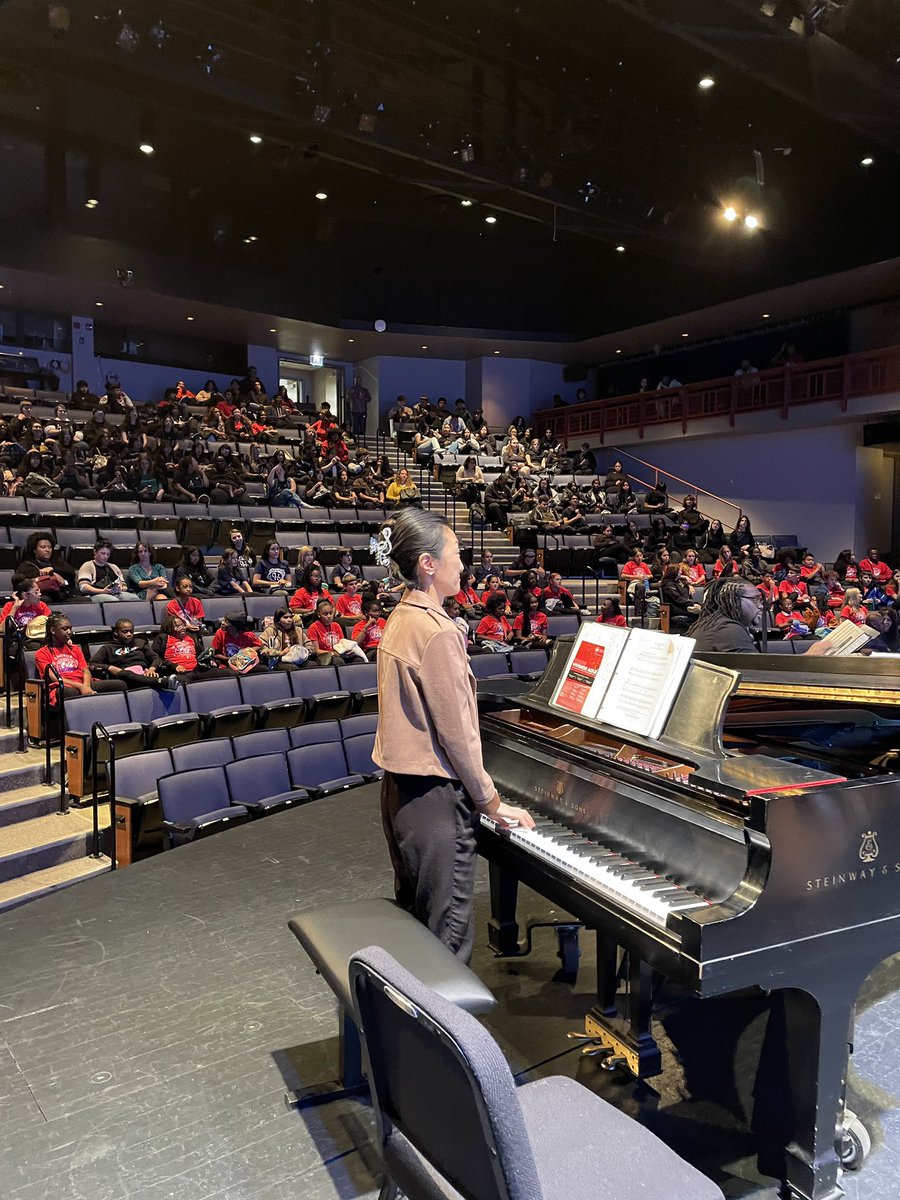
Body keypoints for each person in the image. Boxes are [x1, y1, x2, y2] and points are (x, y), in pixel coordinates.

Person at [372, 508, 533, 960]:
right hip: (437, 801)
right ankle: (448, 1031)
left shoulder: (401, 618)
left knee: (419, 930)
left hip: (400, 794)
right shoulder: (437, 631)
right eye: (456, 554)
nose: (462, 564)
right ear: (428, 563)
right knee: (447, 946)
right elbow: (458, 735)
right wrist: (492, 803)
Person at [35, 613, 128, 704]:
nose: (69, 632)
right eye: (64, 629)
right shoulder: (42, 653)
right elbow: (54, 678)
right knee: (66, 692)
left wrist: (86, 686)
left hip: (84, 682)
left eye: (70, 628)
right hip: (64, 686)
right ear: (53, 630)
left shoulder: (75, 649)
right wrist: (81, 687)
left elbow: (85, 670)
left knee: (120, 684)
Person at [687, 579, 762, 652]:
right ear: (734, 600)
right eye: (755, 599)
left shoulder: (709, 625)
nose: (760, 606)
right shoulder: (731, 631)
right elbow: (757, 664)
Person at [89, 619, 165, 689]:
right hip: (124, 675)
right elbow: (92, 664)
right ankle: (161, 682)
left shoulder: (140, 642)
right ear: (116, 633)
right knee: (127, 674)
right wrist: (111, 668)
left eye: (131, 631)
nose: (129, 634)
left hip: (142, 672)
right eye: (125, 632)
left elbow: (156, 658)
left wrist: (152, 669)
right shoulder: (108, 648)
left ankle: (157, 681)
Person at [13, 532, 76, 602]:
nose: (47, 550)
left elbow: (71, 573)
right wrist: (54, 575)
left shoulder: (57, 560)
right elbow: (29, 581)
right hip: (41, 595)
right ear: (34, 550)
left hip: (62, 594)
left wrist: (53, 569)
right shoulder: (26, 565)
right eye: (43, 547)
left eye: (50, 547)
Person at [77, 540, 141, 603]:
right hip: (95, 594)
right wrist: (102, 591)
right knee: (112, 601)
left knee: (134, 598)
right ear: (95, 552)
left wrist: (119, 589)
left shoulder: (114, 567)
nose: (105, 556)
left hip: (114, 593)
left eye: (108, 554)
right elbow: (83, 587)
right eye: (103, 553)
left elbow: (124, 586)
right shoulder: (87, 566)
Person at [347, 374, 372, 438]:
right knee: (355, 424)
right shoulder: (351, 390)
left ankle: (362, 437)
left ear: (361, 381)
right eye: (356, 380)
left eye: (358, 380)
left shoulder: (364, 390)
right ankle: (355, 437)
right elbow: (348, 399)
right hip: (354, 410)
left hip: (362, 410)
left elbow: (369, 399)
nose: (357, 382)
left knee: (362, 425)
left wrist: (362, 398)